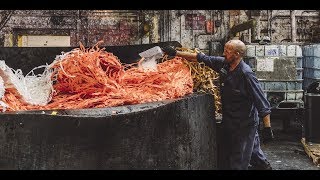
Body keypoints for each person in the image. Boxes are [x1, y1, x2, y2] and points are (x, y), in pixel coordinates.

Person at [162, 39, 274, 170]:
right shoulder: (224, 64)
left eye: (227, 51)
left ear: (237, 54)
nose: (223, 53)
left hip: (244, 124)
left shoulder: (246, 74)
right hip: (231, 119)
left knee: (238, 159)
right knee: (252, 150)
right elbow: (200, 57)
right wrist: (176, 53)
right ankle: (264, 166)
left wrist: (267, 128)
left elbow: (262, 102)